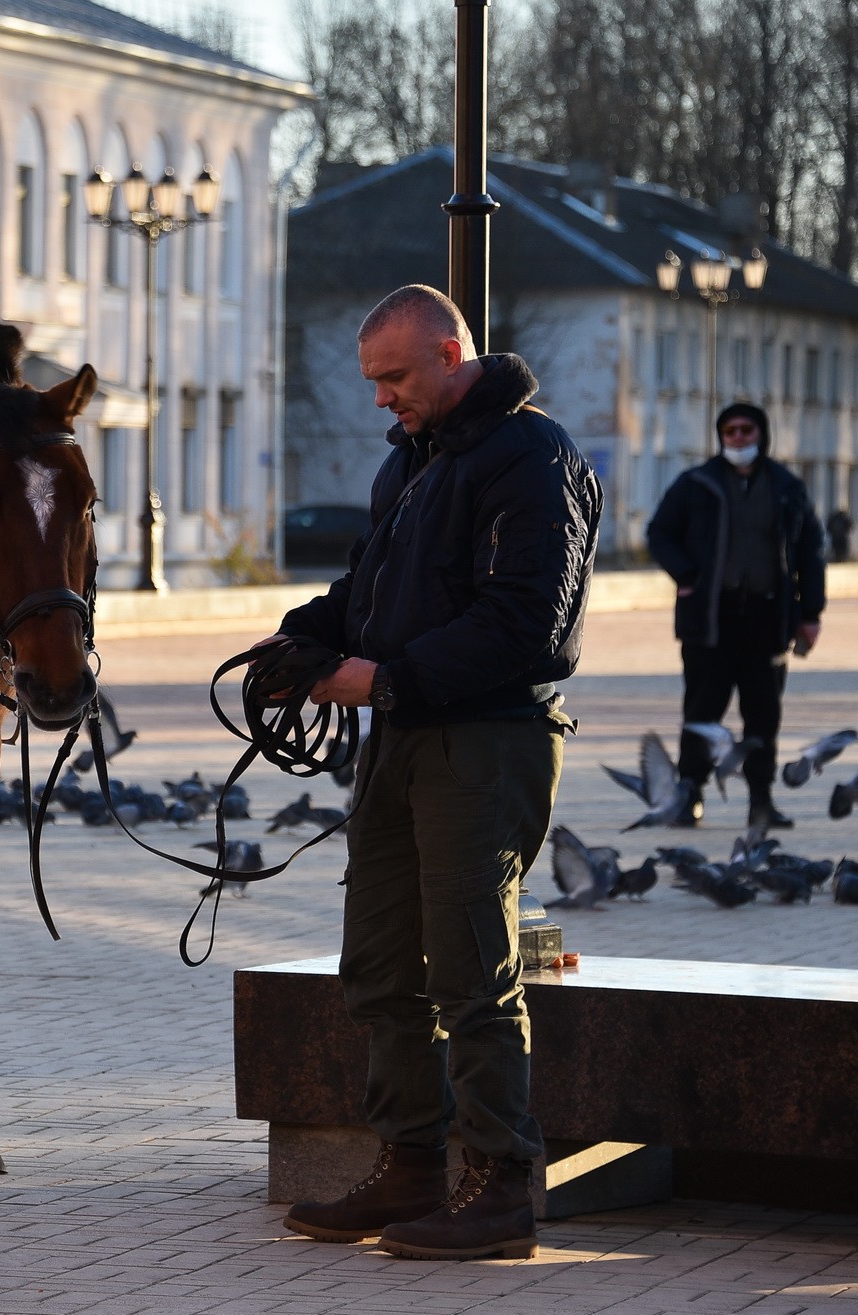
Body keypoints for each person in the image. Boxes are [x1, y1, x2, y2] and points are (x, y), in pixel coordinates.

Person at [271, 285, 601, 1261]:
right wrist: (306, 637)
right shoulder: (413, 463)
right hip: (403, 739)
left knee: (469, 970)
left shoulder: (532, 458)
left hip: (485, 739)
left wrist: (381, 678)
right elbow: (370, 588)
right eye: (372, 381)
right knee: (378, 965)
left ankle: (498, 1187)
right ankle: (408, 1164)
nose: (379, 398)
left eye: (394, 378)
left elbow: (524, 623)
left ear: (450, 353)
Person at [647, 403, 825, 829]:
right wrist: (687, 574)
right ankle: (689, 793)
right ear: (720, 436)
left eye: (746, 430)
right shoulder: (697, 484)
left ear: (761, 435)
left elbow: (810, 552)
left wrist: (811, 613)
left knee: (763, 713)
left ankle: (760, 800)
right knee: (702, 710)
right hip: (711, 619)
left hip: (767, 619)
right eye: (730, 431)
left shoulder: (786, 487)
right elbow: (659, 533)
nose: (739, 437)